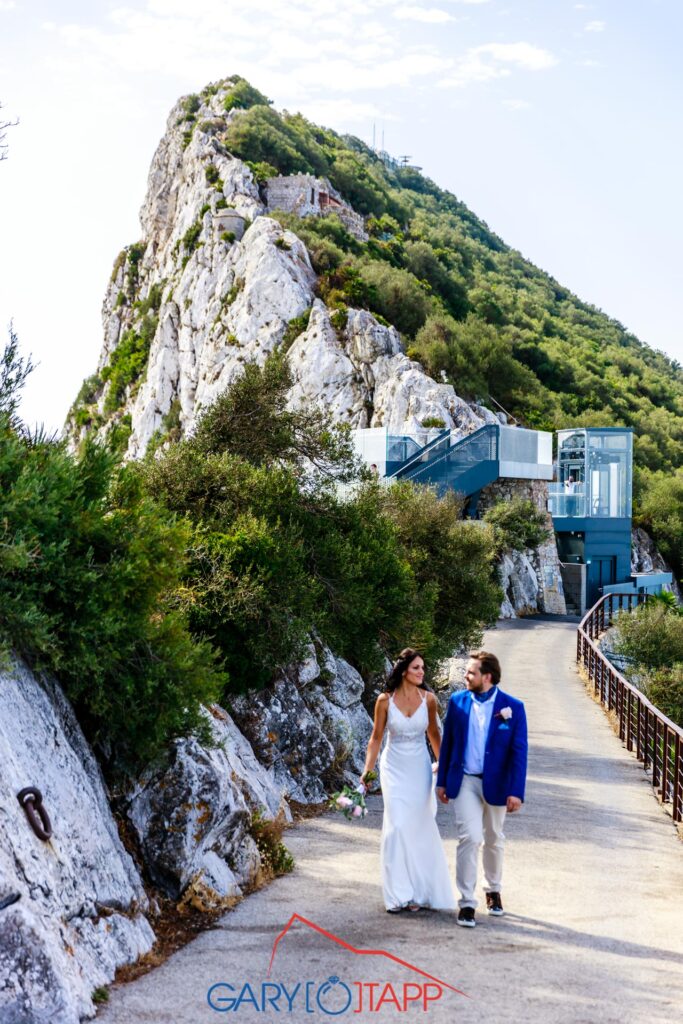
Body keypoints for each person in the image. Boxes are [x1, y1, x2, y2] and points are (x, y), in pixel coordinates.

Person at [436, 651, 527, 928]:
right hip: (465, 780)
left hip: (498, 783)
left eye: (471, 672)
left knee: (494, 837)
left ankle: (493, 890)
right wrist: (442, 781)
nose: (465, 675)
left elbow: (519, 752)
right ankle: (466, 902)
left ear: (487, 677)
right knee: (469, 837)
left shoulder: (513, 707)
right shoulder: (457, 702)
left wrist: (516, 791)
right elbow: (448, 742)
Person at [362, 648, 456, 913]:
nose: (421, 672)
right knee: (398, 826)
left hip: (419, 768)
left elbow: (435, 737)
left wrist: (446, 774)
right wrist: (367, 772)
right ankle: (397, 894)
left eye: (423, 668)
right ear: (404, 670)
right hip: (393, 768)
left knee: (418, 826)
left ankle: (416, 892)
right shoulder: (384, 700)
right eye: (416, 667)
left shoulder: (429, 700)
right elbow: (376, 738)